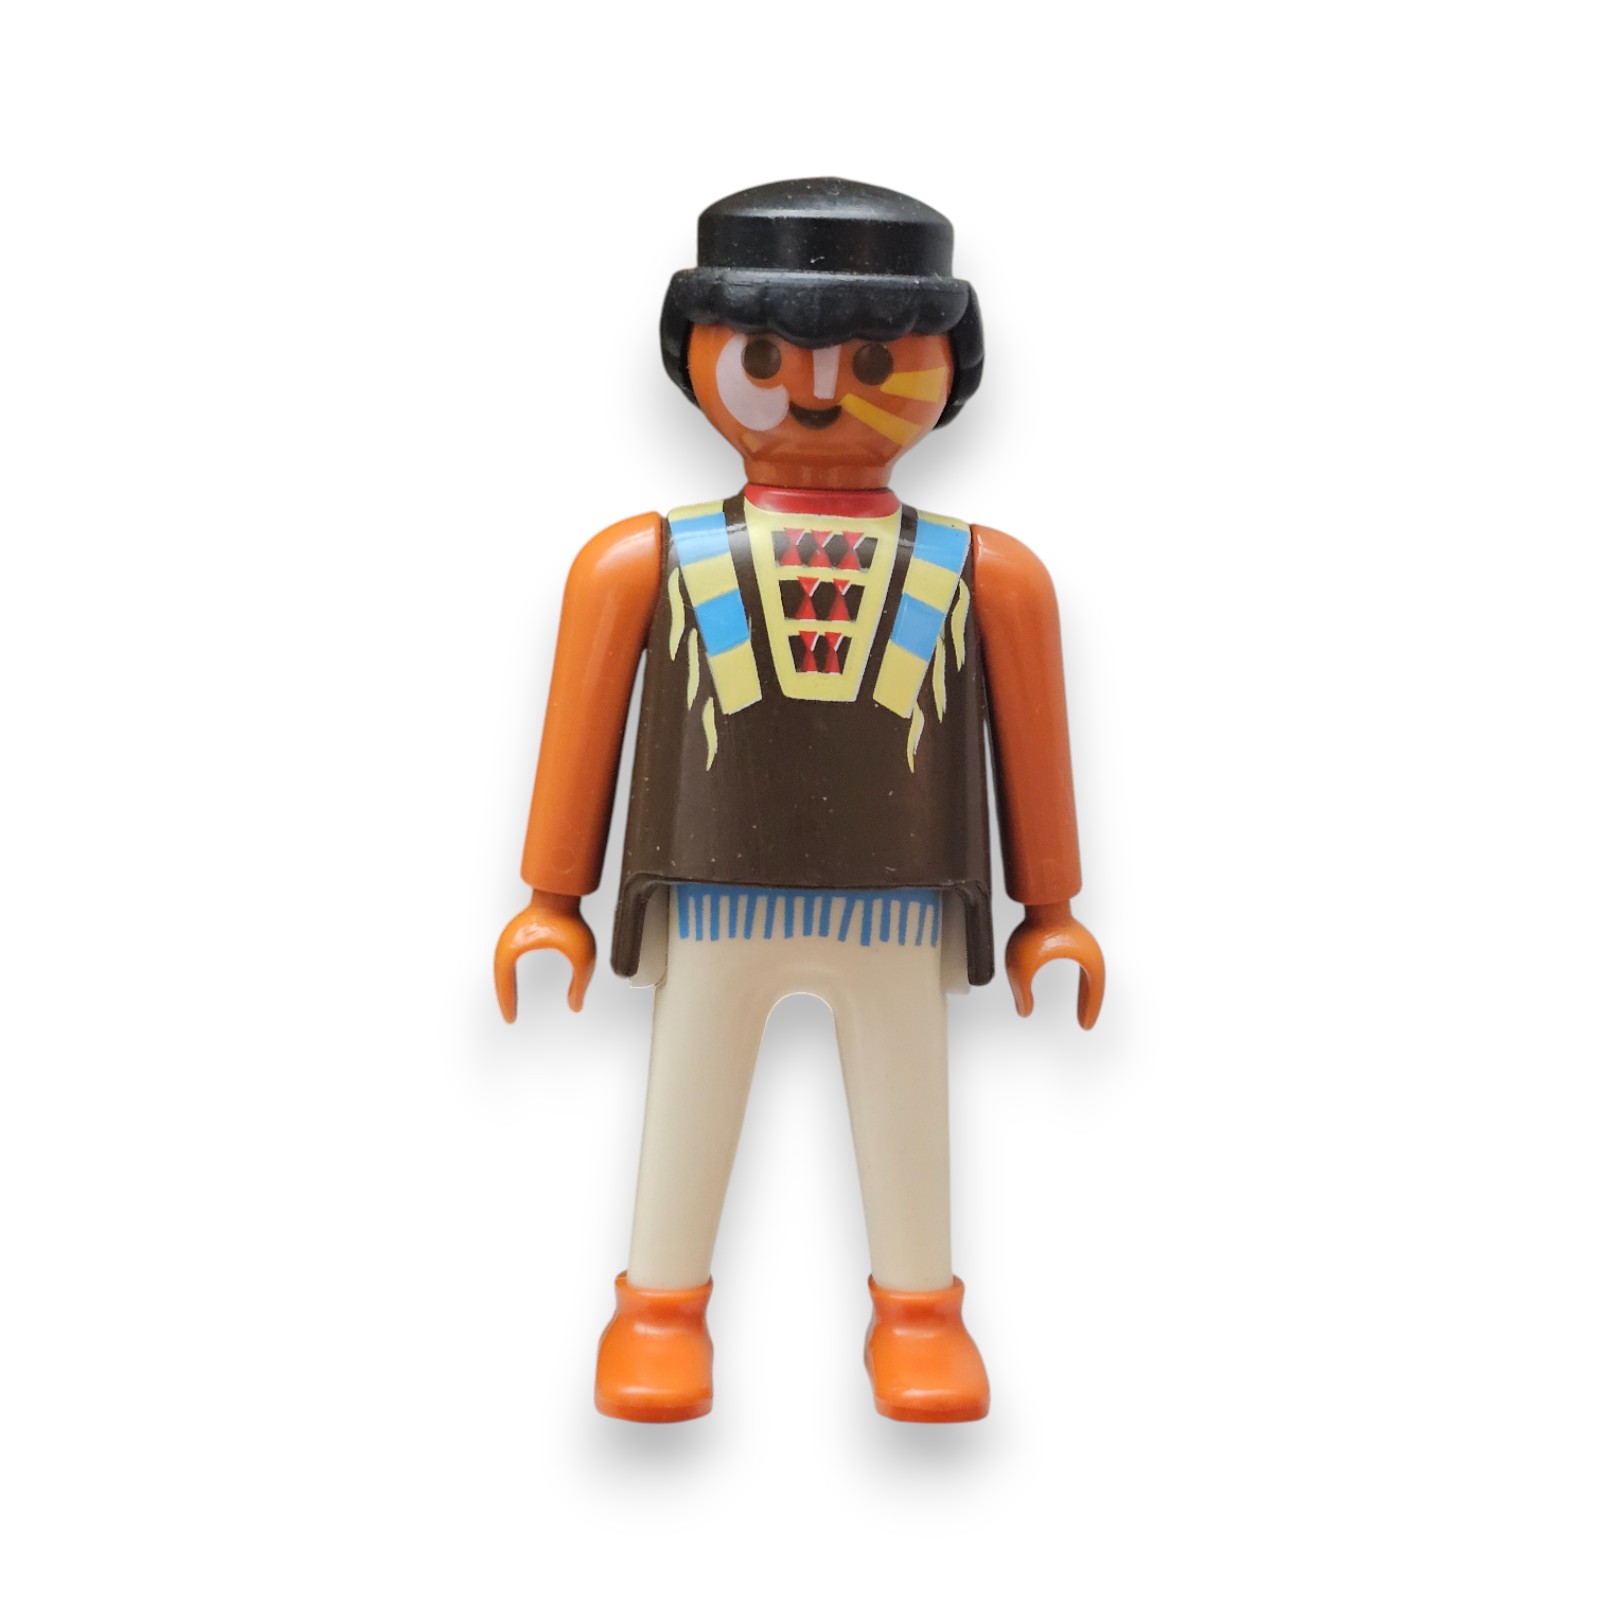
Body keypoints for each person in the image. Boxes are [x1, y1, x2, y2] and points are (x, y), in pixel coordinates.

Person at [495, 177, 1105, 1423]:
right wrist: (550, 897)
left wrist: (1052, 910)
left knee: (906, 1103)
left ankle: (919, 1312)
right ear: (697, 355)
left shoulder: (986, 575)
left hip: (898, 901)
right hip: (711, 892)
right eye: (770, 355)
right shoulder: (643, 561)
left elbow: (1036, 749)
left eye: (871, 359)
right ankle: (658, 1308)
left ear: (948, 366)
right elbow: (582, 729)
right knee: (689, 1094)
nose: (819, 390)